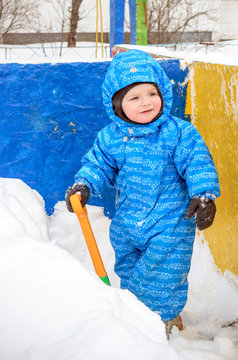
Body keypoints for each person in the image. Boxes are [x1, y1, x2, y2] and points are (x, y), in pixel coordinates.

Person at [65, 49, 220, 337]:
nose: (146, 102)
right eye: (134, 98)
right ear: (117, 105)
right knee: (129, 271)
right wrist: (85, 184)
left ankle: (159, 322)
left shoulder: (179, 133)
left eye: (152, 93)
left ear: (162, 92)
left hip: (171, 222)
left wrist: (204, 195)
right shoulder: (110, 138)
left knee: (163, 275)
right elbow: (98, 165)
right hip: (128, 222)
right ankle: (135, 317)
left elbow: (197, 163)